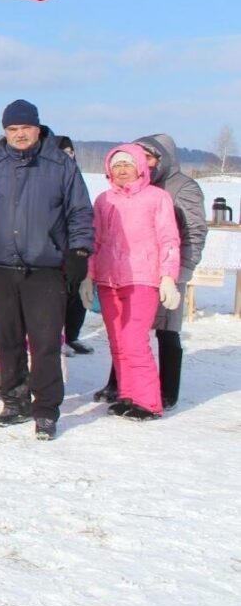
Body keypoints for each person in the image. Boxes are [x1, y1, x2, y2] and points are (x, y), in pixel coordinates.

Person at [0, 100, 94, 441]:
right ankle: (15, 401)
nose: (19, 135)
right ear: (5, 131)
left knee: (46, 342)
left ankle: (46, 409)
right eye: (12, 129)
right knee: (8, 340)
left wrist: (79, 250)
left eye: (25, 128)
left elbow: (80, 211)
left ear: (37, 128)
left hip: (45, 267)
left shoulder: (59, 165)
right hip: (1, 266)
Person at [83, 146, 181, 421]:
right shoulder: (104, 200)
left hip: (142, 278)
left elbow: (168, 239)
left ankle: (148, 402)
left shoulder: (157, 198)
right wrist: (88, 277)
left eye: (127, 164)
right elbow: (95, 240)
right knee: (117, 341)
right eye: (116, 166)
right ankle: (128, 395)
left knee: (135, 340)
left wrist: (167, 277)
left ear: (140, 167)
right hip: (108, 278)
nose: (122, 170)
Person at [130, 134, 208, 408]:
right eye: (141, 157)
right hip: (137, 270)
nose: (145, 163)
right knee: (132, 332)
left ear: (164, 158)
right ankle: (121, 383)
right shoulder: (136, 184)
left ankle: (168, 390)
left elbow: (194, 230)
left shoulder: (183, 187)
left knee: (167, 330)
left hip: (169, 271)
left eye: (150, 157)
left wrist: (182, 271)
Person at [52, 135, 94, 355]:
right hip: (55, 248)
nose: (69, 155)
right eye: (64, 151)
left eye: (71, 151)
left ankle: (71, 336)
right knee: (57, 299)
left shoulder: (75, 177)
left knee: (76, 296)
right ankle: (59, 338)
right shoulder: (52, 175)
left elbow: (82, 213)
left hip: (75, 246)